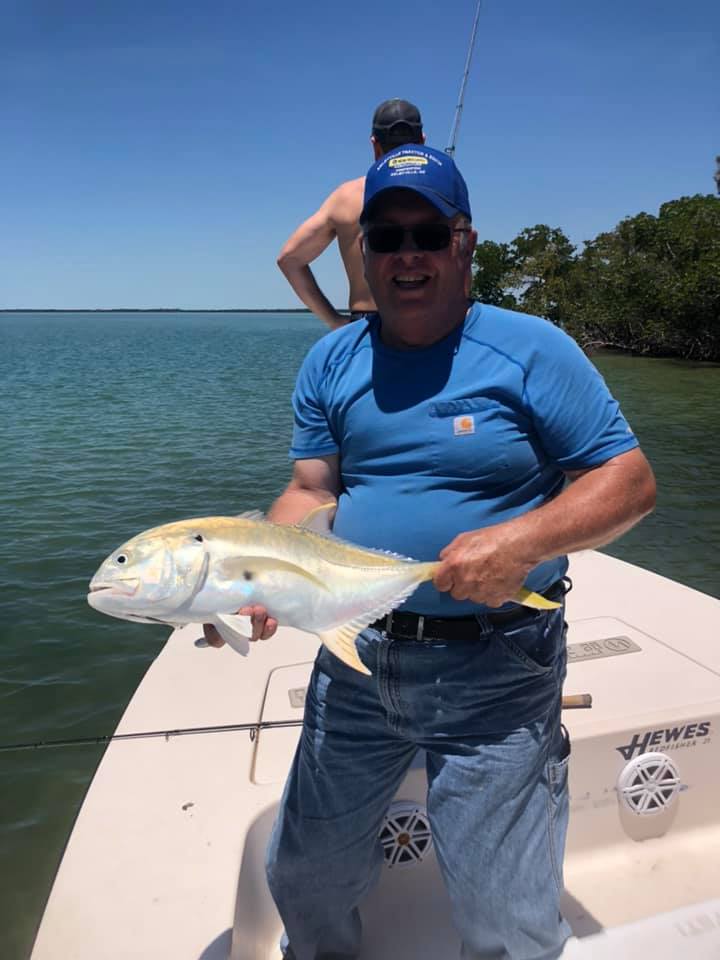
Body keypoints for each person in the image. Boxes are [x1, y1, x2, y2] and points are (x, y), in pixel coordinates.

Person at [208, 144, 657, 959]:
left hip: (497, 665)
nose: (406, 253)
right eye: (386, 236)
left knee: (504, 920)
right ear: (365, 251)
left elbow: (628, 482)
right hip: (356, 655)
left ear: (465, 243)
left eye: (427, 232)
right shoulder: (331, 359)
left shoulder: (534, 349)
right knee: (305, 878)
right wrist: (260, 574)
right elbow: (311, 490)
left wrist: (522, 539)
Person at [276, 99, 425, 330]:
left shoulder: (347, 197)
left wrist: (334, 321)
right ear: (422, 142)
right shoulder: (444, 192)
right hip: (434, 324)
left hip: (367, 325)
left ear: (375, 145)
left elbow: (289, 259)